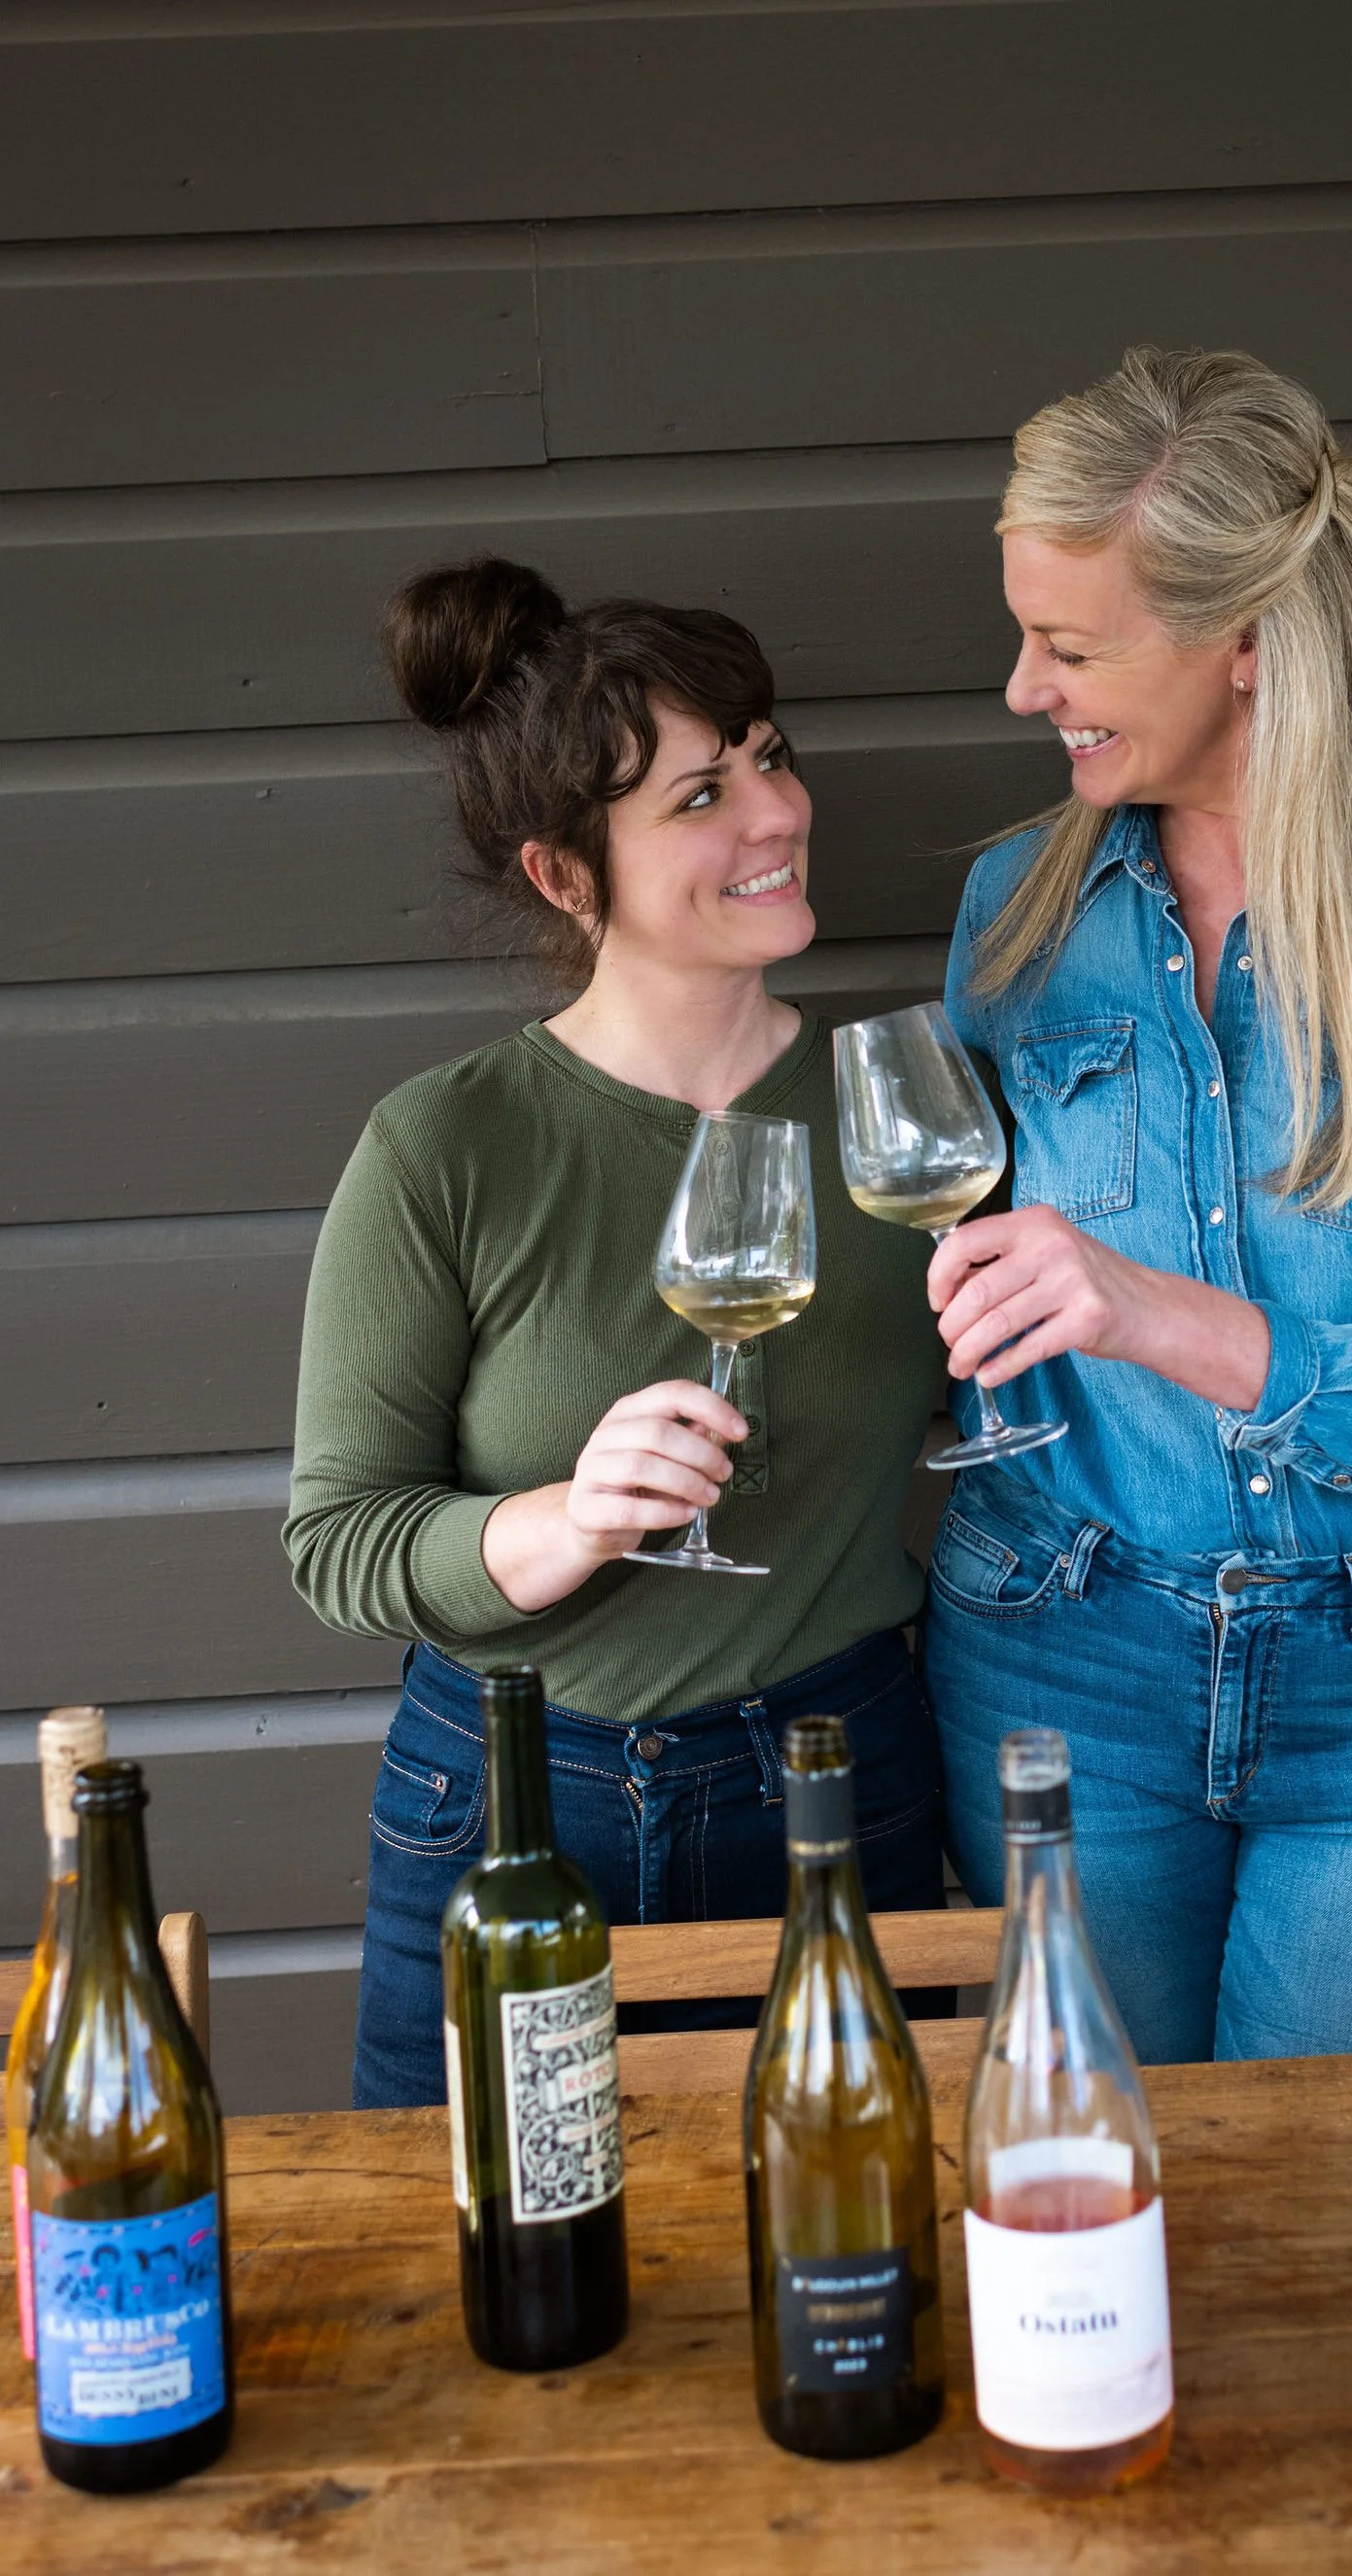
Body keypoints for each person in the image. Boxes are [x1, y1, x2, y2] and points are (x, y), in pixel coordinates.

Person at [922, 348, 1352, 2062]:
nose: (1022, 689)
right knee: (1087, 2184)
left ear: (1246, 643)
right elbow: (961, 1296)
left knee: (1336, 2207)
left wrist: (1150, 1308)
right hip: (1056, 1655)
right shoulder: (1017, 912)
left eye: (1069, 649)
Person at [285, 559, 949, 2108]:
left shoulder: (904, 1109)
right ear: (566, 875)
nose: (775, 814)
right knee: (478, 2259)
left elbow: (1050, 1381)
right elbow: (337, 1541)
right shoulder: (446, 1146)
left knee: (844, 2251)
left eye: (770, 757)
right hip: (519, 1792)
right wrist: (565, 1518)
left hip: (836, 1777)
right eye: (701, 795)